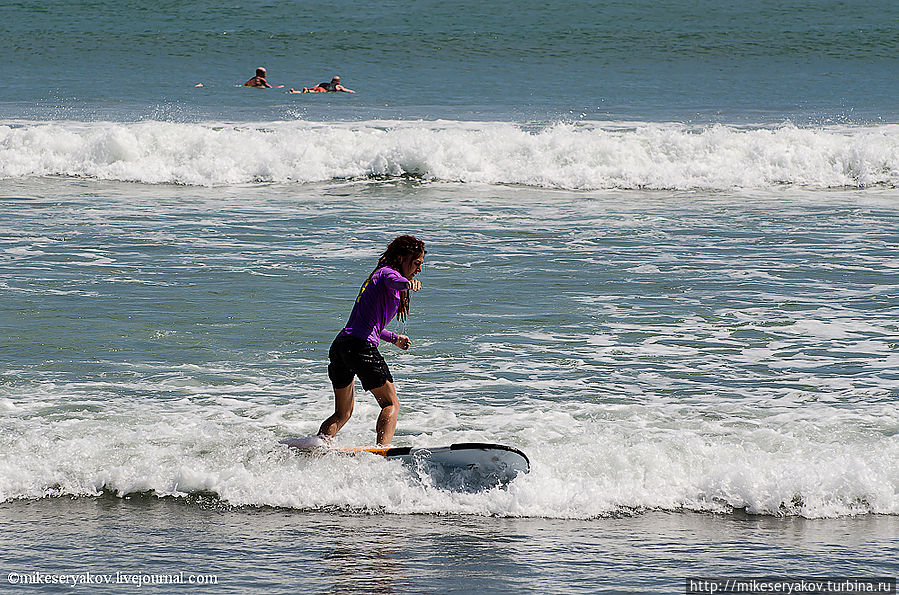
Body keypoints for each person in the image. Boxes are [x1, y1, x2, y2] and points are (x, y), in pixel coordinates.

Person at [318, 235, 425, 446]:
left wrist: (394, 338)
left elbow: (369, 325)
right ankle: (382, 452)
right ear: (400, 257)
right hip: (360, 348)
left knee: (342, 413)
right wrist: (408, 283)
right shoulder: (387, 274)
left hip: (342, 346)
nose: (419, 269)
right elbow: (395, 281)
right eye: (416, 263)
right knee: (391, 404)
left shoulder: (375, 278)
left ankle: (317, 447)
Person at [289, 75, 355, 94]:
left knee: (310, 91)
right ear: (338, 82)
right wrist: (353, 92)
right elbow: (346, 90)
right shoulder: (338, 86)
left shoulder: (323, 83)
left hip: (320, 86)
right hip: (323, 89)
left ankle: (294, 91)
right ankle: (307, 91)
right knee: (315, 92)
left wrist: (309, 89)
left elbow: (314, 87)